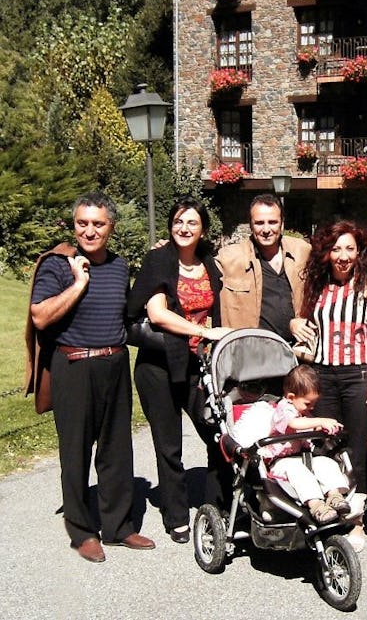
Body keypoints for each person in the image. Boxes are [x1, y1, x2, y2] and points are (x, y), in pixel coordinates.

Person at [29, 191, 155, 563]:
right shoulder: (58, 265)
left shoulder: (119, 267)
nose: (89, 230)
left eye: (98, 223)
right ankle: (82, 531)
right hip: (74, 365)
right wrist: (78, 284)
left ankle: (118, 527)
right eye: (82, 223)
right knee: (76, 450)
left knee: (117, 450)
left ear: (110, 228)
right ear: (75, 225)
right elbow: (40, 316)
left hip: (114, 364)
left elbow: (127, 315)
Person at [128, 196, 232, 544]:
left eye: (192, 223)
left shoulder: (210, 264)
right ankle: (176, 517)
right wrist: (203, 332)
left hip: (197, 366)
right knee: (169, 445)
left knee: (217, 435)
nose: (184, 228)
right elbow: (157, 313)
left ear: (202, 229)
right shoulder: (159, 260)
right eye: (178, 222)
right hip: (158, 366)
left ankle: (216, 506)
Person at [291, 220, 367, 551]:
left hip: (358, 375)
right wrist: (295, 322)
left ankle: (357, 521)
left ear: (359, 252)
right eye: (336, 249)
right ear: (326, 253)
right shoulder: (316, 285)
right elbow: (300, 320)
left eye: (350, 248)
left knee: (357, 451)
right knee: (326, 448)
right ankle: (330, 512)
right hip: (323, 375)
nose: (343, 256)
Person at [260, 365, 351, 524]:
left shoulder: (302, 410)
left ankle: (334, 495)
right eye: (308, 404)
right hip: (280, 462)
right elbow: (294, 423)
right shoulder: (284, 409)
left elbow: (308, 425)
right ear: (290, 397)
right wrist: (320, 420)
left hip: (302, 456)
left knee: (326, 463)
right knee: (299, 472)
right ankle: (316, 504)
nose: (312, 408)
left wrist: (323, 428)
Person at [215, 193, 311, 341]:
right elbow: (194, 273)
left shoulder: (302, 251)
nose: (266, 229)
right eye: (259, 223)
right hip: (250, 351)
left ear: (282, 224)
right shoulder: (229, 257)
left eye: (272, 222)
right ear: (251, 225)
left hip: (295, 352)